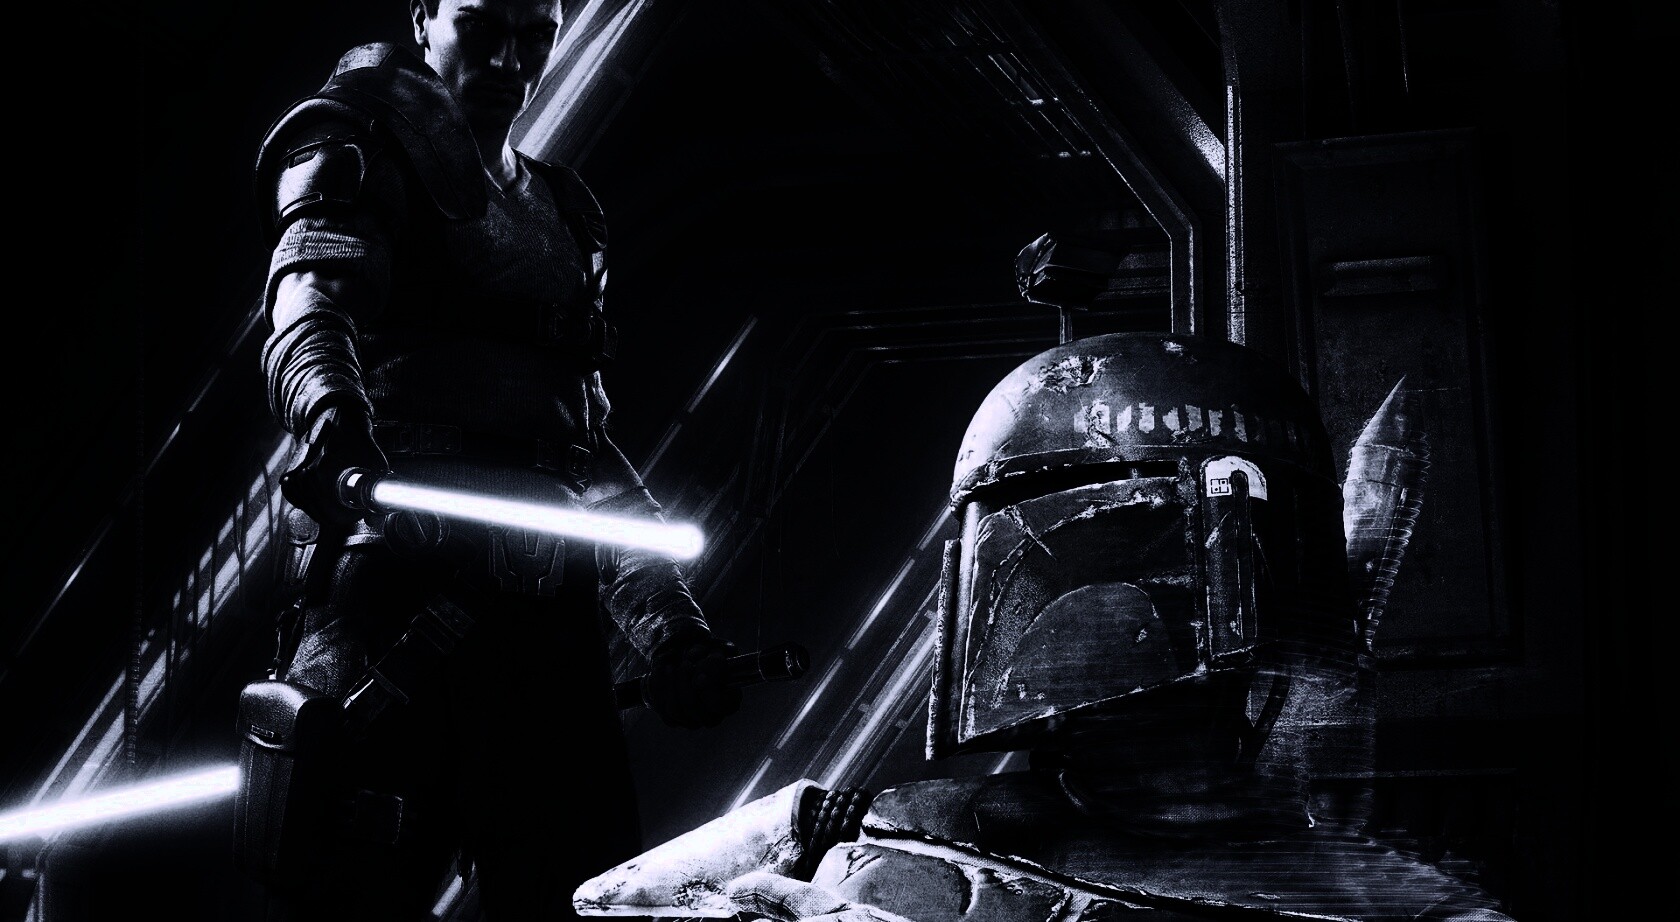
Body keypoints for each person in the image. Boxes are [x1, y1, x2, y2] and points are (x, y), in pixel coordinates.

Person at [572, 331, 1518, 922]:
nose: (1086, 614)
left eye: (1133, 560)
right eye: (1064, 564)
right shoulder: (851, 826)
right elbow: (612, 906)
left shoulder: (1394, 902)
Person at [235, 0, 741, 921]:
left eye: (537, 36)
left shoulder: (568, 215)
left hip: (541, 632)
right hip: (392, 600)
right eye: (482, 27)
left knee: (585, 898)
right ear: (423, 19)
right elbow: (308, 309)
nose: (511, 60)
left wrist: (670, 628)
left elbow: (580, 448)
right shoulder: (355, 149)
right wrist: (337, 432)